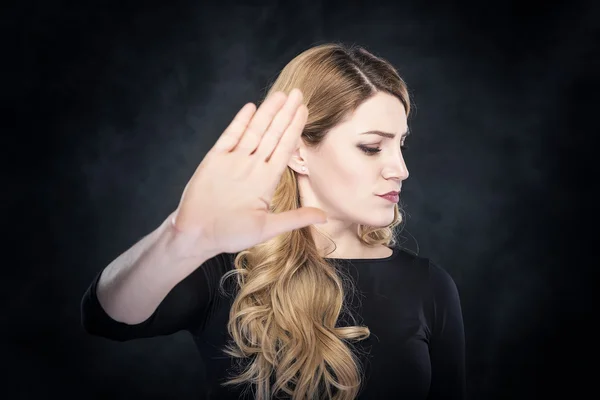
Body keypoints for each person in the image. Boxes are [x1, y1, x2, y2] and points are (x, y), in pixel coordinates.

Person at [80, 42, 466, 400]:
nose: (401, 169)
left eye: (401, 144)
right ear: (298, 153)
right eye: (371, 147)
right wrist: (180, 237)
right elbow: (106, 318)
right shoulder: (228, 269)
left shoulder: (430, 286)